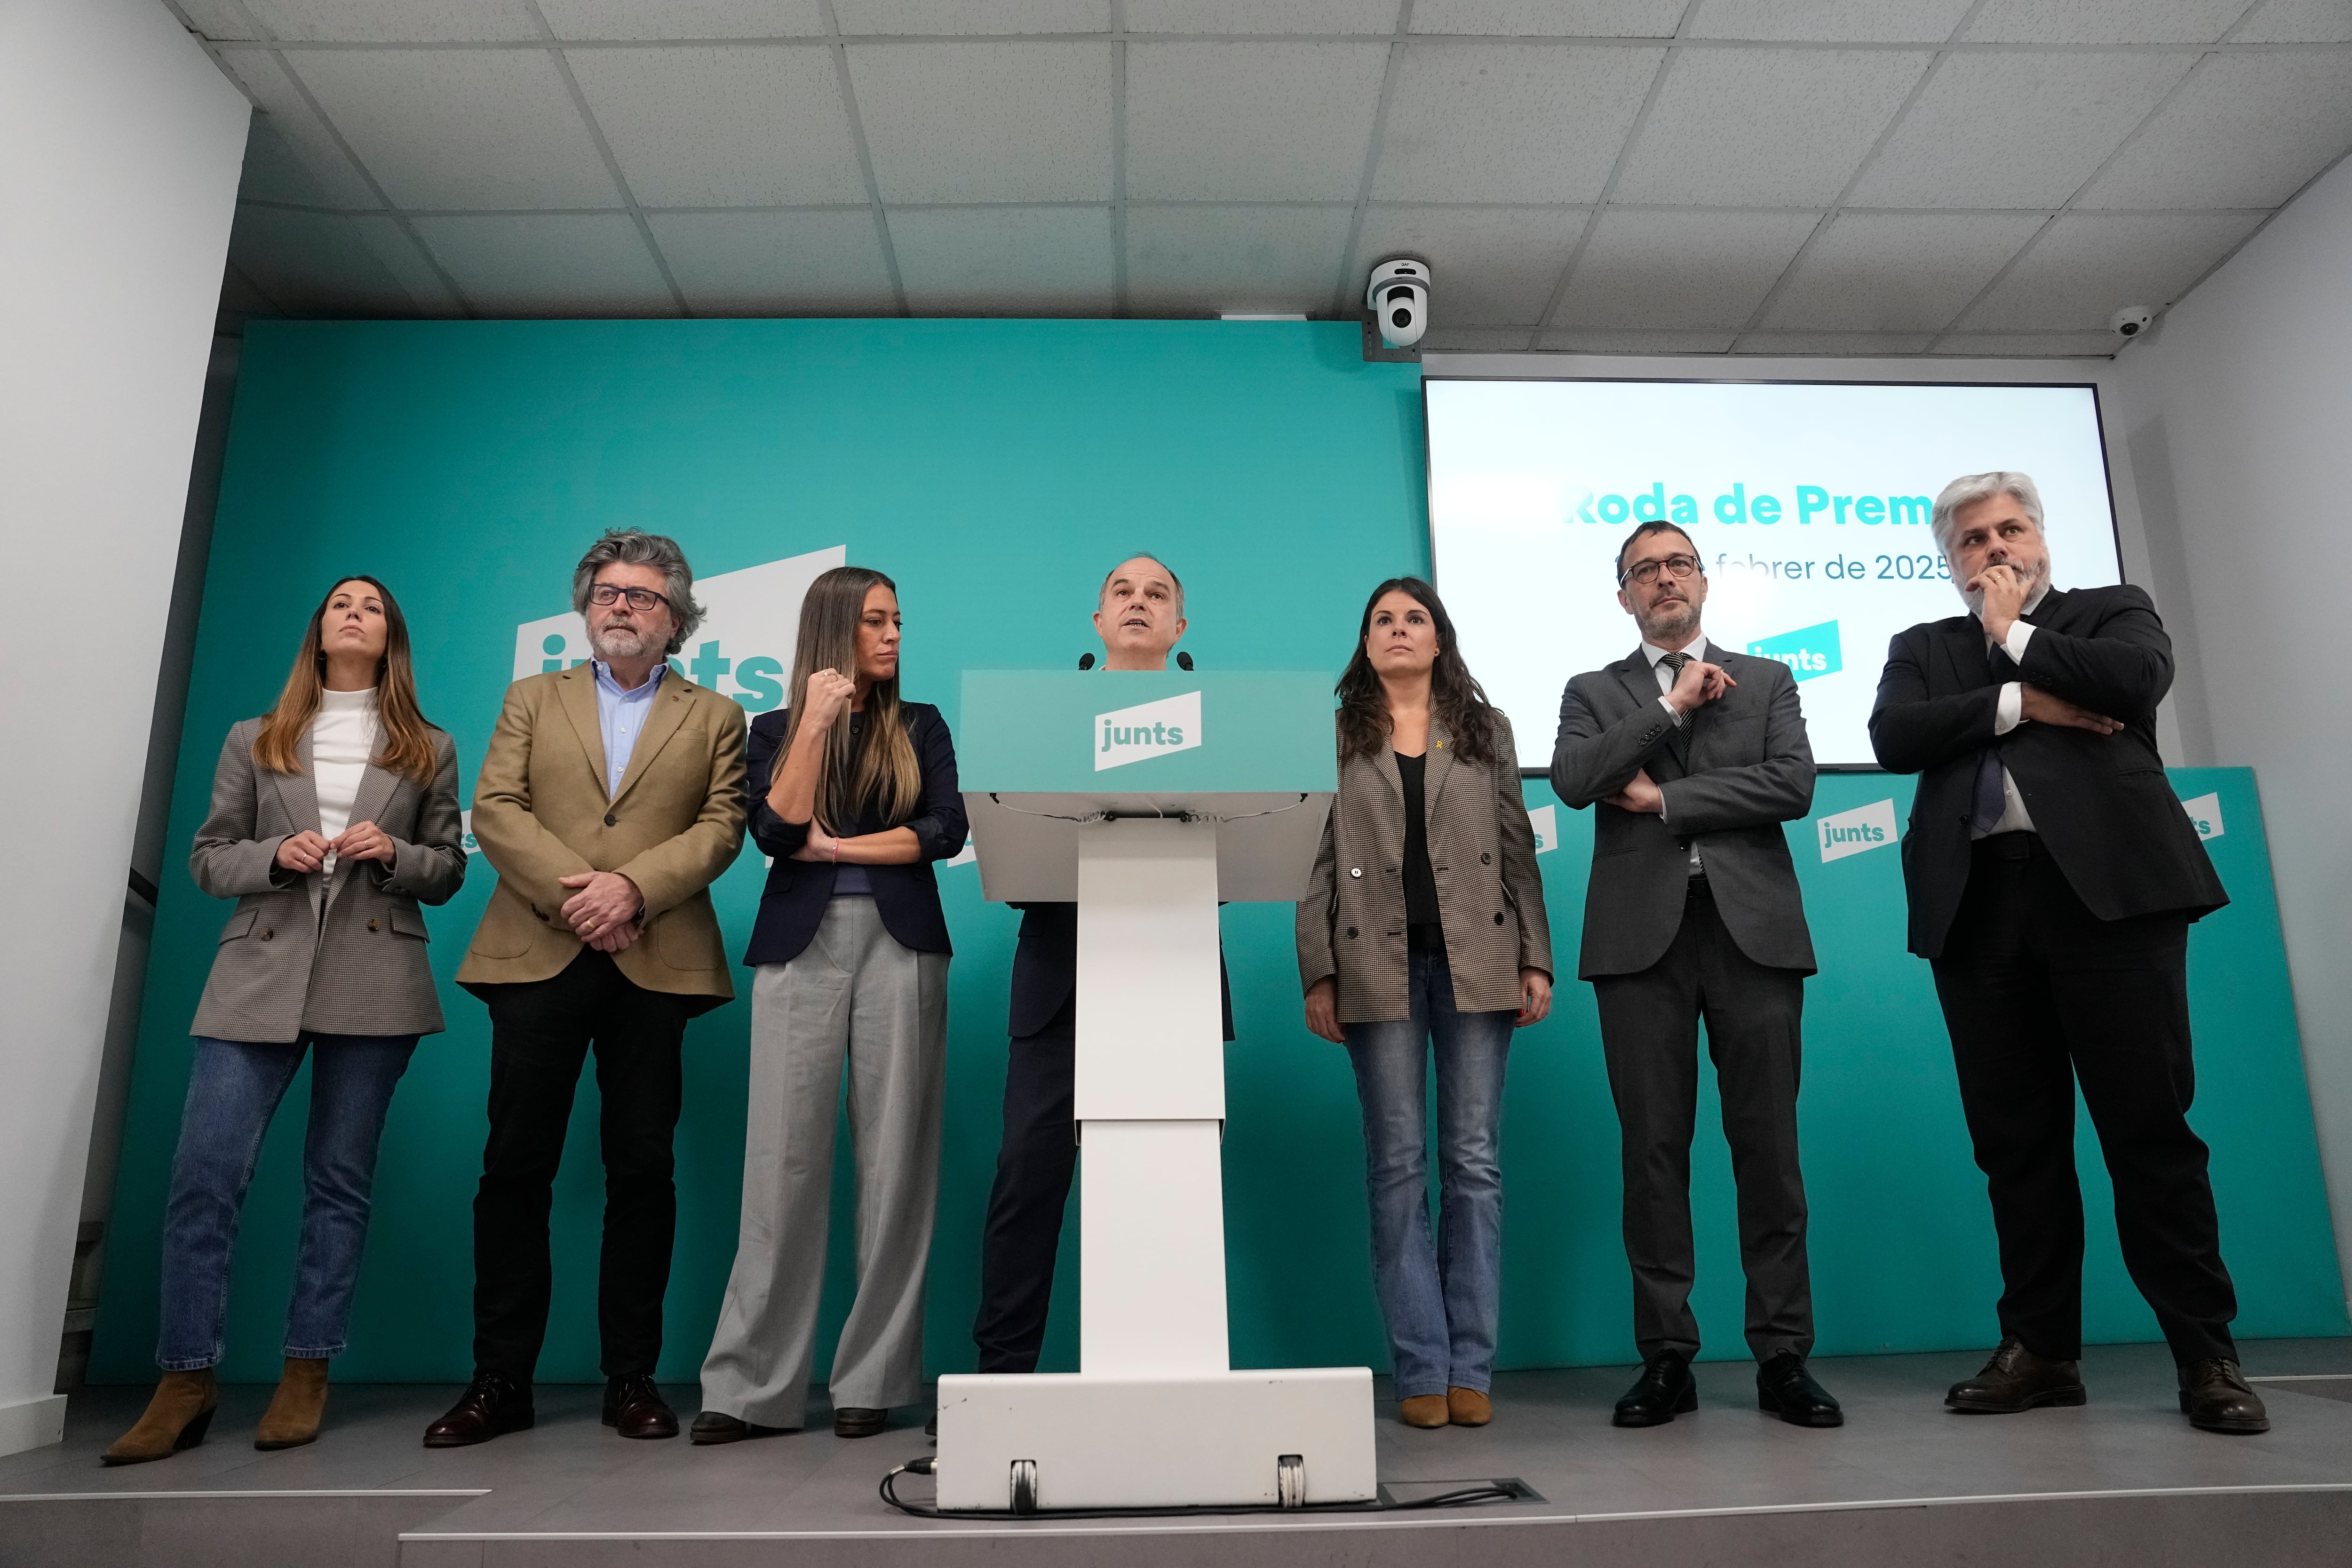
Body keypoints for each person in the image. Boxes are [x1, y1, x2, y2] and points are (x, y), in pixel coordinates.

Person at [1869, 471, 2263, 1435]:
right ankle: (2041, 1348)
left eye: (2009, 529)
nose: (1993, 548)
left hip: (2112, 901)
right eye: (1971, 539)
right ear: (1948, 559)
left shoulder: (2112, 612)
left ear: (2041, 538)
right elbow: (1894, 735)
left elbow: (2132, 686)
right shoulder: (1922, 647)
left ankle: (2205, 1353)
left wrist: (2014, 640)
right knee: (2017, 1142)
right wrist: (2022, 704)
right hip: (1979, 906)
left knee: (2149, 1130)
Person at [105, 577, 465, 1465]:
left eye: (375, 605)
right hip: (258, 970)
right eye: (341, 601)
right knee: (204, 1178)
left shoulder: (429, 747)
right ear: (318, 627)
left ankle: (307, 1369)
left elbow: (449, 866)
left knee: (338, 1183)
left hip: (375, 971)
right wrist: (274, 854)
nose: (355, 612)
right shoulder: (254, 737)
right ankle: (185, 1378)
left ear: (392, 637)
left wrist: (396, 853)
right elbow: (206, 856)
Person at [425, 529, 747, 1449]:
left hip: (657, 956)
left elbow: (722, 824)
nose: (620, 605)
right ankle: (499, 1380)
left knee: (642, 1170)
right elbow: (496, 806)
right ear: (584, 605)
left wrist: (633, 888)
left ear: (677, 618)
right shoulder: (533, 697)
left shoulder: (717, 715)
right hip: (539, 950)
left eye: (643, 596)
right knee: (515, 1168)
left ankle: (631, 1378)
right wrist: (586, 896)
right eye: (607, 591)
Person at [1551, 520, 1842, 1430]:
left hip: (1753, 934)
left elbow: (1791, 785)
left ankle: (1784, 1355)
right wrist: (1669, 708)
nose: (1664, 580)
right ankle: (1667, 1356)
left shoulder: (1768, 679)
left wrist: (1667, 798)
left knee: (1770, 1152)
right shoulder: (1593, 691)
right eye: (1645, 570)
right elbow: (1576, 778)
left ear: (1705, 581)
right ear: (1624, 595)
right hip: (1641, 944)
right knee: (1653, 1154)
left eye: (1678, 564)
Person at [692, 567, 966, 1444]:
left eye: (897, 620)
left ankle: (872, 1381)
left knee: (896, 1167)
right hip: (797, 949)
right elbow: (775, 829)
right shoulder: (773, 727)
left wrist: (841, 846)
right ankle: (749, 1389)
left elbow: (945, 830)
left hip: (905, 946)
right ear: (834, 629)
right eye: (875, 622)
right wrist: (813, 720)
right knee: (780, 1164)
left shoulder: (921, 725)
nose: (892, 636)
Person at [1295, 578, 1552, 1430]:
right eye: (1384, 620)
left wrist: (1536, 958)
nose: (1400, 630)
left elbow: (1517, 847)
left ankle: (1472, 1363)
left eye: (1416, 619)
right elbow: (1314, 863)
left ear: (1440, 639)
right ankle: (1420, 1367)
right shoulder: (1332, 734)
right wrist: (1318, 970)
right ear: (1365, 643)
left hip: (1479, 960)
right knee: (1398, 1166)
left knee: (1473, 1164)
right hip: (1378, 968)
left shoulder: (1485, 730)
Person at [971, 554, 1232, 1376]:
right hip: (1060, 981)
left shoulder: (1222, 724)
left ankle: (1172, 1377)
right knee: (1026, 1180)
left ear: (1179, 629)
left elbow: (1253, 839)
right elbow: (1013, 842)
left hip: (1174, 974)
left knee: (1166, 1183)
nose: (1138, 603)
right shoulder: (1050, 721)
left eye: (1157, 595)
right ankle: (1001, 1385)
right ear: (1097, 619)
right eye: (1123, 591)